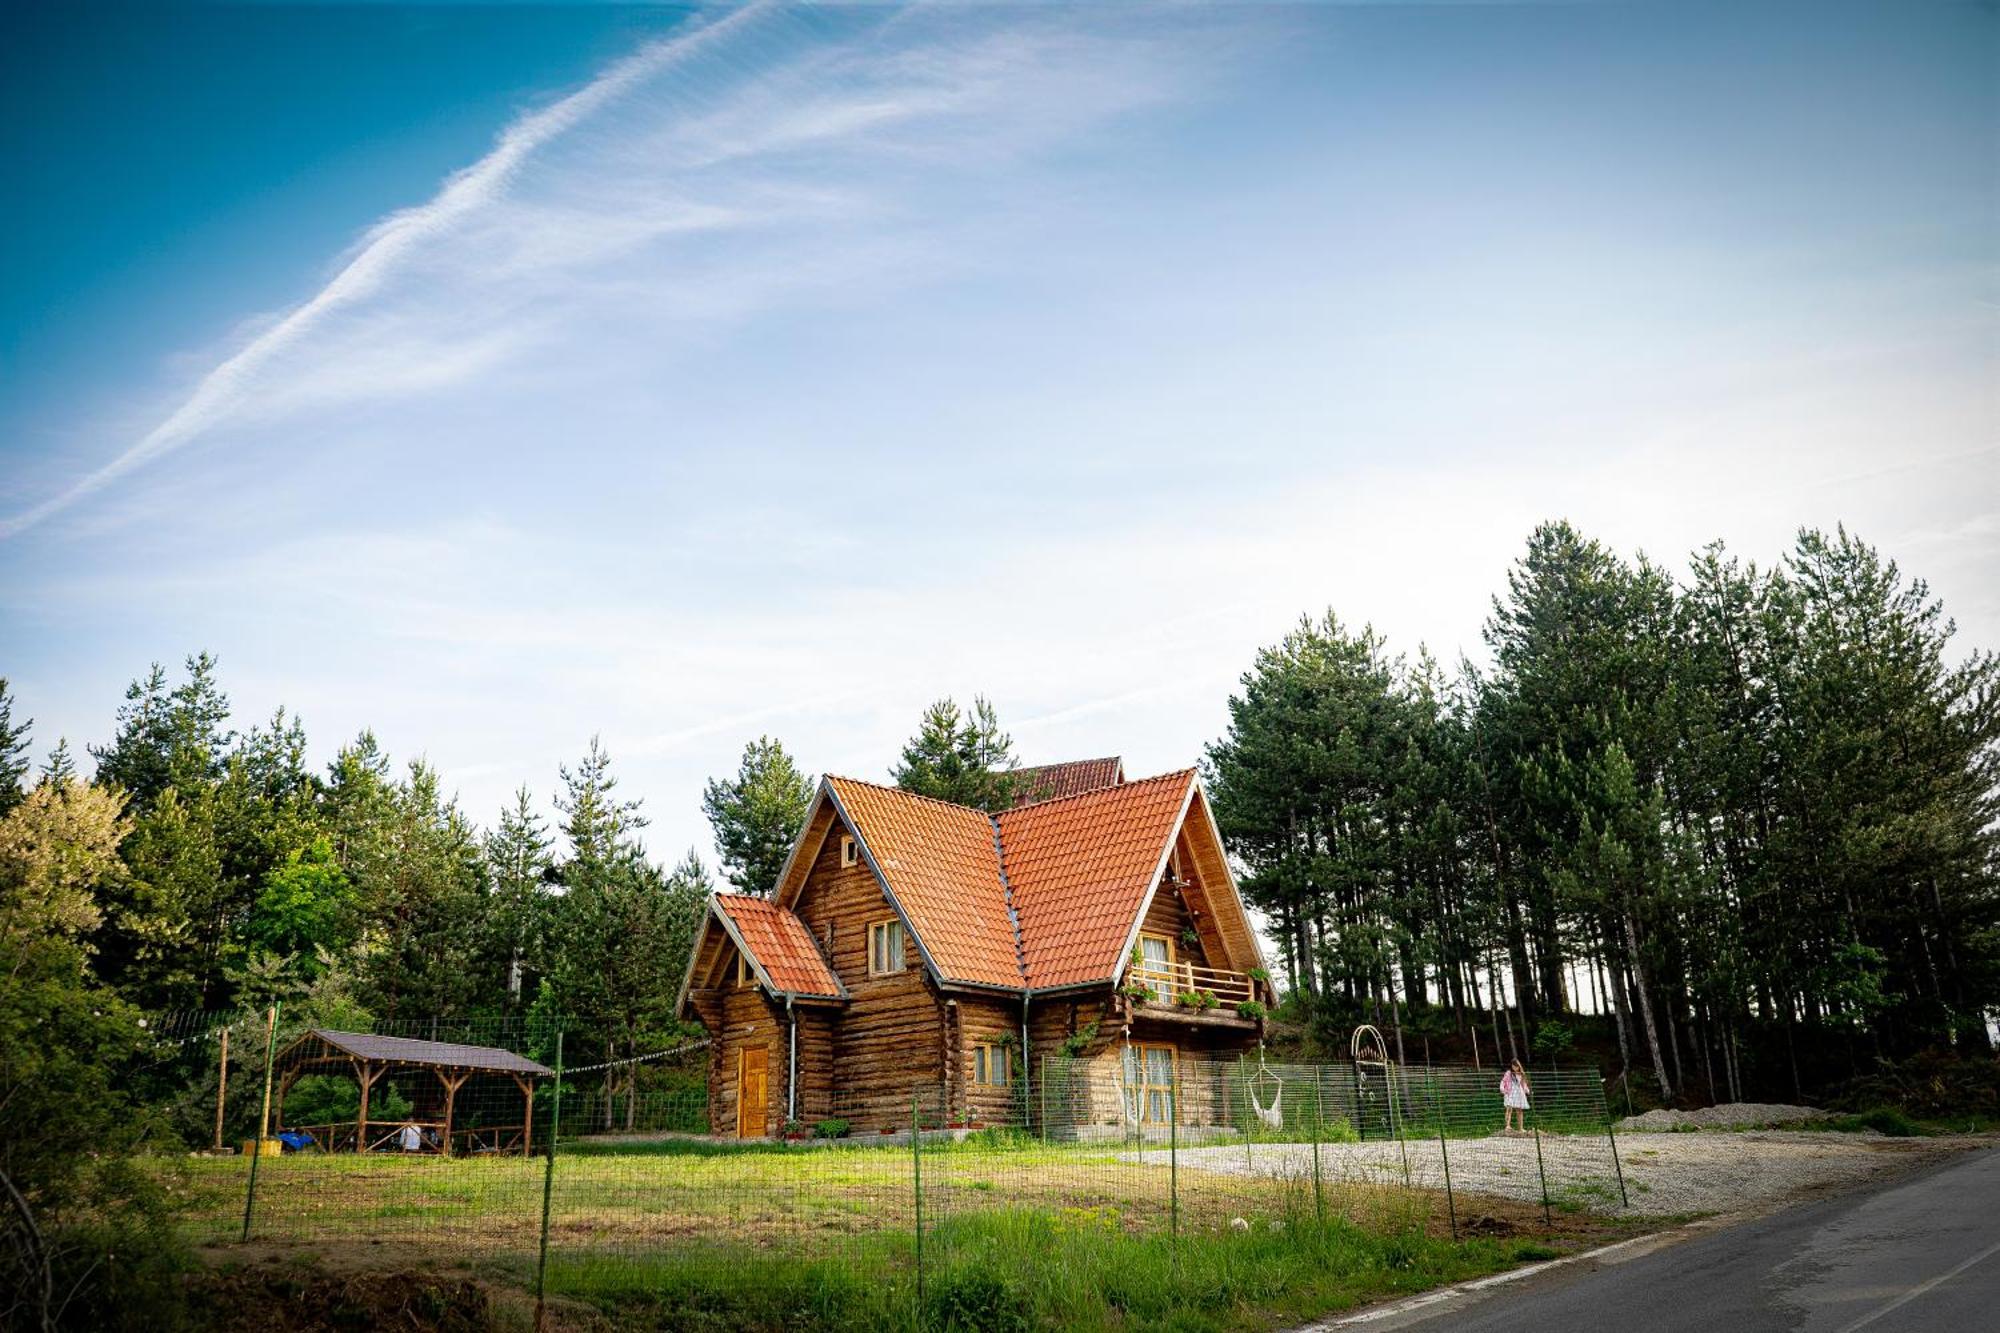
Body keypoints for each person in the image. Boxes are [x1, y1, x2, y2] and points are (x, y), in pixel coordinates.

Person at [1500, 1060, 1531, 1134]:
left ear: (1519, 1066)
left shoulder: (1521, 1074)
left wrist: (1528, 1091)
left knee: (1519, 1110)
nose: (1515, 1067)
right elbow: (1503, 1081)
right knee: (1509, 1108)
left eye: (1516, 1066)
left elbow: (1523, 1084)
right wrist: (1502, 1089)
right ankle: (1507, 1126)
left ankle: (1520, 1128)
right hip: (1510, 1092)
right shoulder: (1509, 1073)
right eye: (1513, 1066)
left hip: (1519, 1093)